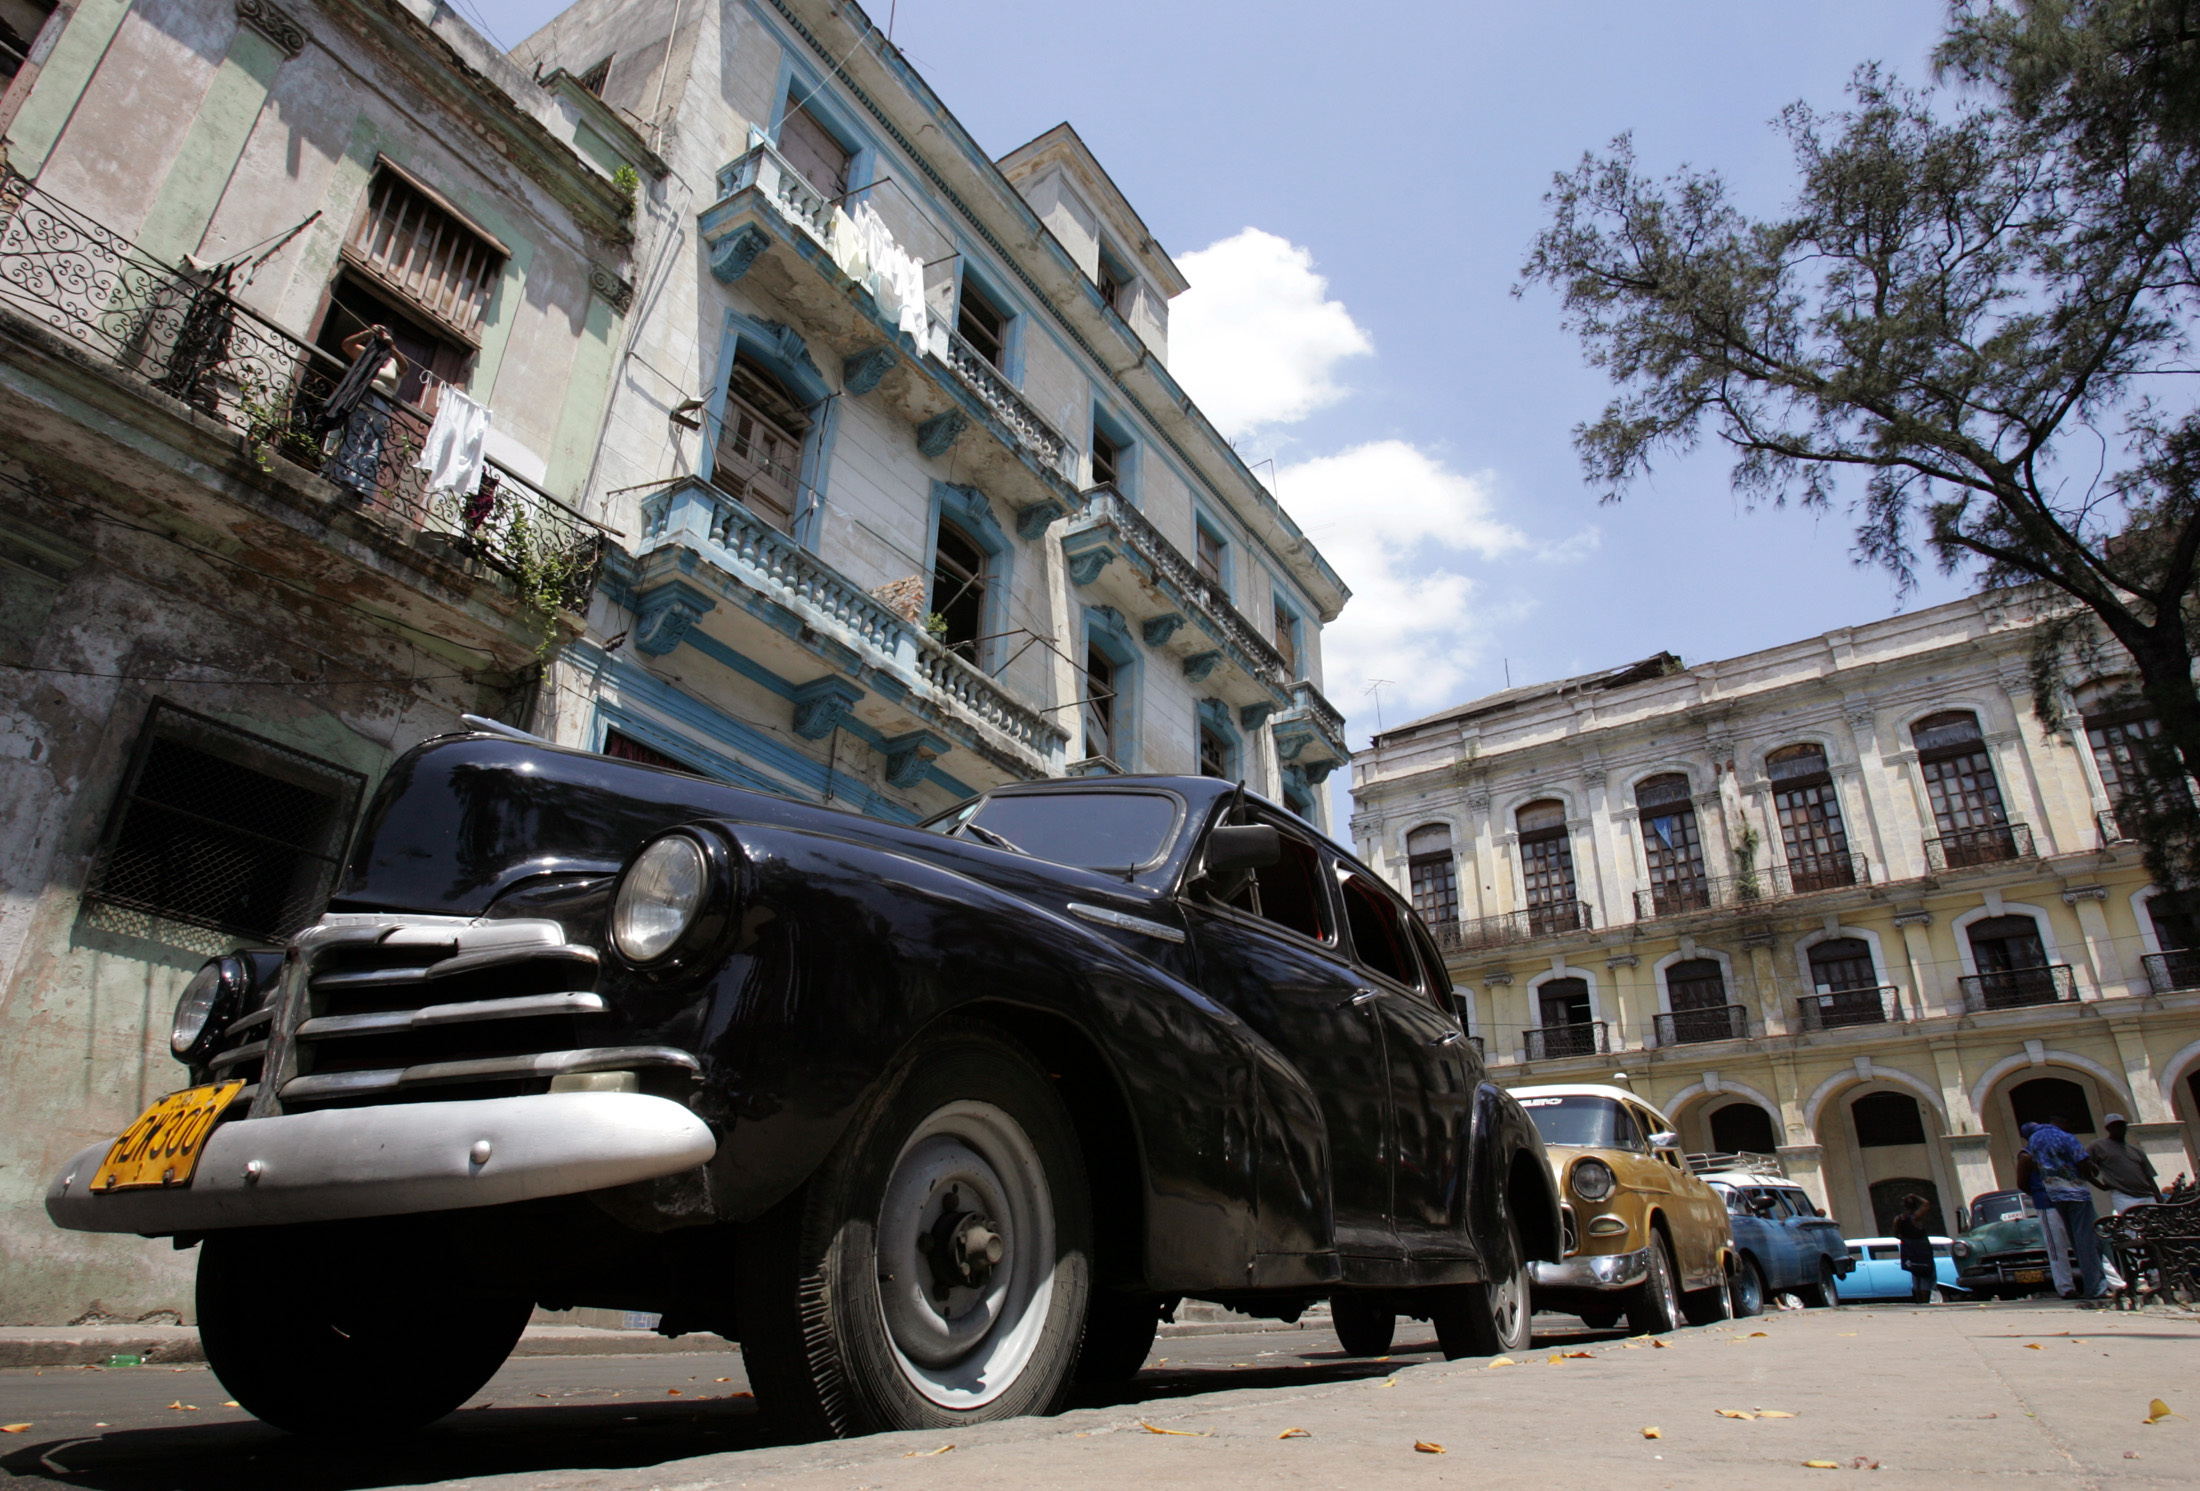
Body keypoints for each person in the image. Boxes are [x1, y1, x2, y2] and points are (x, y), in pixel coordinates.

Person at [2027, 1116, 2107, 1299]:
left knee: (2077, 1240)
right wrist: (2096, 1178)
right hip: (2076, 1194)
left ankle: (2093, 1285)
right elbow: (2083, 1163)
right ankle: (2096, 1288)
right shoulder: (2065, 1137)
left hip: (2055, 1194)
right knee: (2088, 1240)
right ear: (2063, 1122)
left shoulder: (2034, 1139)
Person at [2088, 1114, 2162, 1213]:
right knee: (2131, 1225)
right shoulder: (2097, 1146)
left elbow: (2149, 1177)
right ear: (2108, 1128)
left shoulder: (2136, 1150)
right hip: (2124, 1195)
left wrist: (2160, 1199)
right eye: (2114, 1126)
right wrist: (2100, 1186)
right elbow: (2084, 1165)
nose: (2119, 1129)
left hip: (2147, 1195)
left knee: (2153, 1226)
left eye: (2121, 1125)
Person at [1891, 1192, 1938, 1303]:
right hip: (1922, 1252)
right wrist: (1915, 1196)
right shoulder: (1916, 1217)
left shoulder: (1898, 1219)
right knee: (1926, 1276)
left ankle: (1919, 1302)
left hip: (1909, 1252)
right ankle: (1925, 1302)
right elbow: (1926, 1203)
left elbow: (1895, 1234)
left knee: (1916, 1276)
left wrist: (1907, 1240)